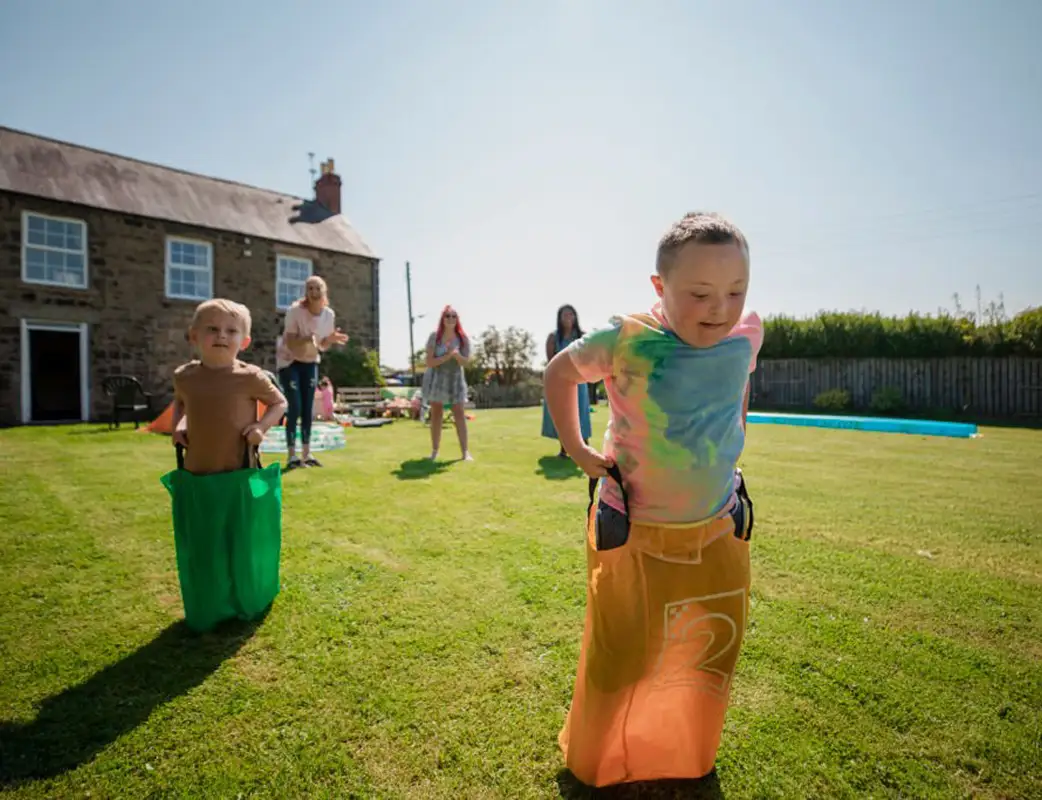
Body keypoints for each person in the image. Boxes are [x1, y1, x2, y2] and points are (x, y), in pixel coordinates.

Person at [543, 211, 763, 788]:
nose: (720, 308)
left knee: (704, 655)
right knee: (623, 658)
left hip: (715, 528)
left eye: (736, 291)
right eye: (700, 293)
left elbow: (737, 387)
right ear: (660, 288)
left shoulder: (746, 335)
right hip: (635, 533)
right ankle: (604, 759)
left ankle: (683, 756)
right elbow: (560, 374)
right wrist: (576, 447)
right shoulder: (627, 339)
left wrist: (731, 442)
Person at [171, 299, 288, 473]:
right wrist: (177, 427)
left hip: (238, 471)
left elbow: (279, 403)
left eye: (231, 331)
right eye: (212, 329)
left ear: (244, 342)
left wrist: (260, 427)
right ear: (194, 336)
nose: (222, 335)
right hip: (195, 470)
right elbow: (180, 402)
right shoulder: (184, 376)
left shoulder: (250, 376)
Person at [276, 275, 348, 469]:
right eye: (310, 289)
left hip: (309, 362)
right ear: (306, 293)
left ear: (324, 292)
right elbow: (290, 341)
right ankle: (292, 455)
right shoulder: (294, 312)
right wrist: (306, 338)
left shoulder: (328, 315)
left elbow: (322, 346)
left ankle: (307, 454)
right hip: (289, 361)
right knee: (296, 406)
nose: (314, 292)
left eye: (318, 289)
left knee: (308, 408)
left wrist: (330, 340)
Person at [422, 305, 473, 461]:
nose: (451, 319)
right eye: (447, 316)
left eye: (454, 316)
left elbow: (466, 362)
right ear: (442, 319)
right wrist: (447, 355)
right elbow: (429, 362)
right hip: (437, 379)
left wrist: (456, 355)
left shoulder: (462, 338)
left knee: (459, 414)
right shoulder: (434, 337)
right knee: (436, 414)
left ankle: (465, 452)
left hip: (455, 380)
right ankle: (435, 451)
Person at [542, 304, 592, 457]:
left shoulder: (582, 336)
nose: (568, 318)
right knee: (563, 414)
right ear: (560, 318)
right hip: (560, 382)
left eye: (571, 314)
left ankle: (586, 447)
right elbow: (551, 361)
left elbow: (588, 358)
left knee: (580, 412)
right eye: (565, 315)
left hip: (578, 380)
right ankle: (564, 449)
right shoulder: (553, 338)